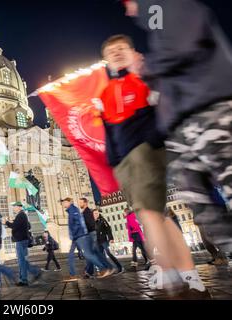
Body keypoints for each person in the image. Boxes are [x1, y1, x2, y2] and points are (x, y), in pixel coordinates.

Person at [99, 32, 206, 297]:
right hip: (126, 162)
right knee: (161, 217)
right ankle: (190, 277)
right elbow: (110, 132)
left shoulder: (142, 77)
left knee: (148, 215)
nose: (116, 52)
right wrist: (114, 162)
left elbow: (168, 102)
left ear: (132, 52)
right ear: (105, 61)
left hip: (146, 152)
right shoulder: (106, 92)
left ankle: (170, 278)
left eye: (122, 48)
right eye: (111, 51)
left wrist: (154, 142)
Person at [124, 0, 232, 256]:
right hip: (185, 124)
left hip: (210, 109)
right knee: (197, 200)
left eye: (127, 2)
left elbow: (183, 47)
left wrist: (144, 67)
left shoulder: (166, 7)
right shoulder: (158, 21)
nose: (127, 10)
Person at [61, 198, 114, 279]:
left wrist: (81, 233)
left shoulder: (78, 210)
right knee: (85, 253)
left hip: (82, 235)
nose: (63, 204)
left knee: (90, 253)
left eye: (65, 202)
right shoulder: (76, 211)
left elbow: (82, 224)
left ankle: (104, 268)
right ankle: (75, 274)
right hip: (78, 235)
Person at [4, 202, 42, 286]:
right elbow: (26, 225)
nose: (13, 208)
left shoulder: (20, 215)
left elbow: (14, 226)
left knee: (21, 261)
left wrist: (6, 222)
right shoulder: (22, 215)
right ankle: (33, 273)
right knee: (23, 260)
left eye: (14, 207)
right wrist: (14, 221)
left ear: (19, 207)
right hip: (23, 240)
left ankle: (24, 279)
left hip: (20, 241)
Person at [78, 198, 112, 277]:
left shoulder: (88, 212)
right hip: (90, 234)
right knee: (90, 253)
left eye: (81, 202)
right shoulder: (84, 212)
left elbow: (91, 224)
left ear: (85, 203)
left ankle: (107, 267)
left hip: (92, 235)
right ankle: (89, 271)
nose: (79, 204)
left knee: (93, 253)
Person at [93, 209, 124, 273]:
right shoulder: (92, 222)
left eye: (97, 213)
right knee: (101, 256)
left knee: (109, 253)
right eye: (95, 213)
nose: (96, 214)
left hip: (104, 240)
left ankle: (120, 267)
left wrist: (111, 238)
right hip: (97, 241)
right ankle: (107, 269)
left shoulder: (102, 220)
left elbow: (108, 229)